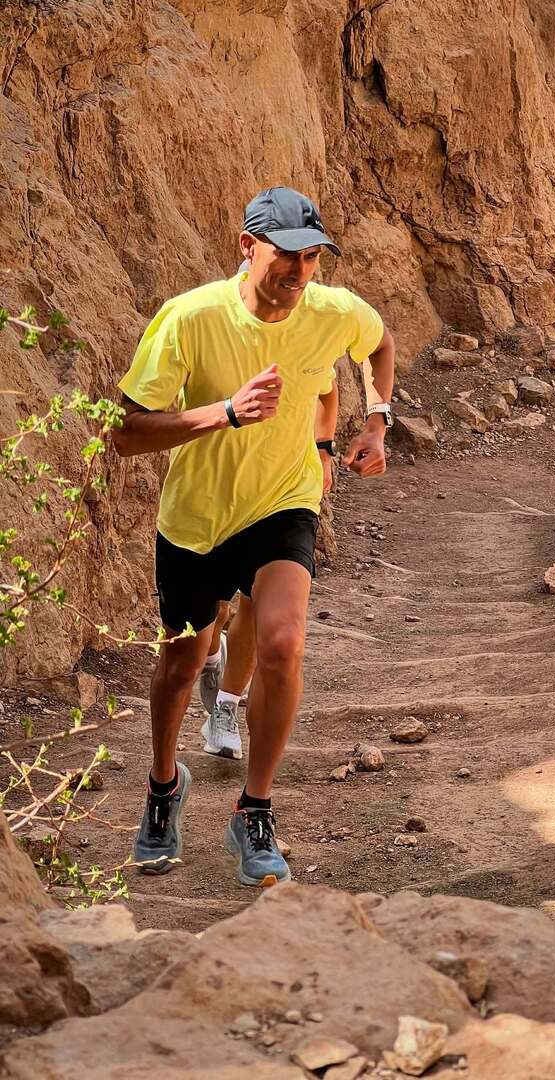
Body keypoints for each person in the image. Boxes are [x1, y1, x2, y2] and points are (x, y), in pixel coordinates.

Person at [113, 186, 396, 886]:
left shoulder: (332, 311)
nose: (301, 273)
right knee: (182, 666)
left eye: (312, 259)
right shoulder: (189, 318)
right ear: (248, 247)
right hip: (196, 519)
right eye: (287, 257)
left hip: (284, 503)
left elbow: (380, 340)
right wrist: (224, 414)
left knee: (281, 641)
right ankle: (162, 786)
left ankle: (255, 810)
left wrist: (378, 418)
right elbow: (124, 433)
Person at [198, 382, 339, 760]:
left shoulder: (309, 328)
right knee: (213, 608)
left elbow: (326, 387)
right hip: (212, 483)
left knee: (255, 601)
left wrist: (324, 448)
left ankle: (225, 706)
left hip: (282, 497)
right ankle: (211, 659)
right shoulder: (211, 325)